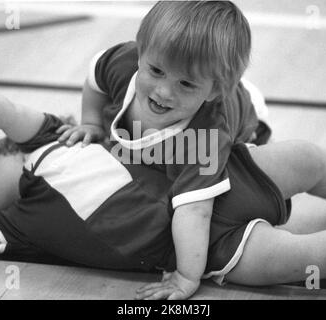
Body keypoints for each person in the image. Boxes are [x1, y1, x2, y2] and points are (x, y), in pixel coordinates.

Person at [0, 75, 326, 300]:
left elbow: (7, 111)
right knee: (293, 261)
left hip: (219, 177)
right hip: (204, 248)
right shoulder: (14, 228)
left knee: (306, 158)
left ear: (12, 151)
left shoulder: (52, 139)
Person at [57, 0, 272, 299]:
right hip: (209, 92)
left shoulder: (207, 137)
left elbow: (194, 210)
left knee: (237, 177)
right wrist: (91, 122)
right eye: (156, 70)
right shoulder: (123, 61)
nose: (164, 91)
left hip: (248, 119)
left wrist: (185, 276)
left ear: (213, 91)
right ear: (140, 52)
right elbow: (95, 78)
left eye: (185, 83)